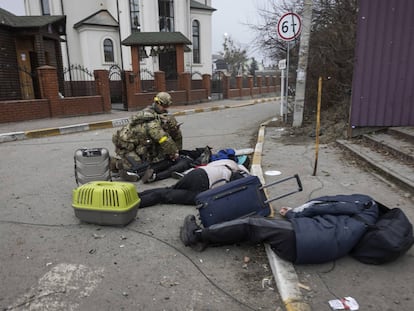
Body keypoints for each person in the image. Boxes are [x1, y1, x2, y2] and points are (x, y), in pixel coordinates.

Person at [179, 194, 380, 264]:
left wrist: (293, 213)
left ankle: (196, 235)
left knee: (252, 223)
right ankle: (208, 240)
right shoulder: (365, 220)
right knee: (256, 231)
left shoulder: (363, 203)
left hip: (304, 239)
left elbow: (328, 205)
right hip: (313, 245)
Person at [111, 92, 182, 181]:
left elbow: (173, 134)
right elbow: (163, 139)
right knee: (139, 168)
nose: (165, 109)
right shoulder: (151, 122)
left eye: (167, 106)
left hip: (139, 144)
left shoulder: (159, 115)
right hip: (125, 145)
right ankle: (115, 163)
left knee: (150, 161)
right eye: (164, 106)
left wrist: (177, 149)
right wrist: (174, 153)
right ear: (157, 103)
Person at [138, 158, 250, 207]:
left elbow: (205, 166)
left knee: (169, 189)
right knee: (165, 196)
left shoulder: (226, 163)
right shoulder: (241, 172)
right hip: (203, 187)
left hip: (197, 173)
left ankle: (137, 195)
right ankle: (135, 204)